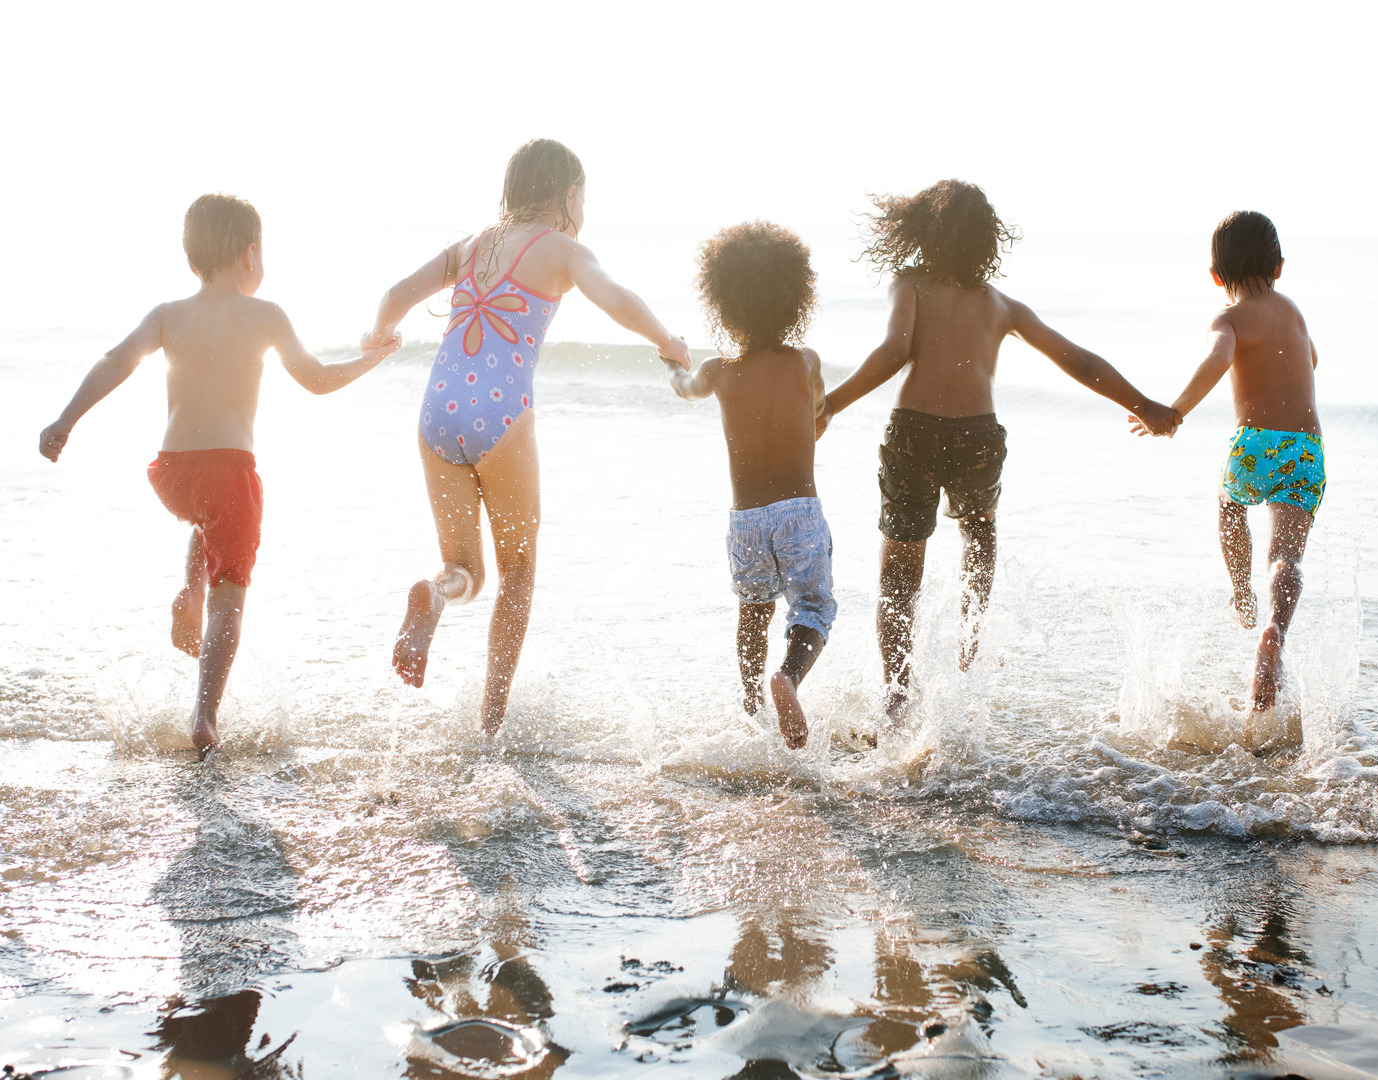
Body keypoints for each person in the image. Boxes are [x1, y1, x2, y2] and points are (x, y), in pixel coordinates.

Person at [38, 193, 400, 753]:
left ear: (192, 261)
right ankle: (205, 715)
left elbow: (116, 361)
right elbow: (319, 379)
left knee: (206, 522)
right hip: (230, 470)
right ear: (250, 254)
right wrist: (374, 357)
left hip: (173, 473)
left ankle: (189, 588)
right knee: (231, 594)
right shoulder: (266, 315)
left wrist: (65, 420)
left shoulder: (167, 314)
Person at [820, 179, 1180, 720]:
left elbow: (894, 351)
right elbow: (1077, 360)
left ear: (923, 231)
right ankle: (969, 636)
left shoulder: (909, 284)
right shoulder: (1001, 305)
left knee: (899, 568)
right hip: (977, 437)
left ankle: (897, 695)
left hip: (913, 432)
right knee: (980, 530)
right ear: (987, 240)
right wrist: (1144, 403)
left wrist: (830, 405)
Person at [365, 138, 690, 732]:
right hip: (500, 415)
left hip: (437, 410)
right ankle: (492, 720)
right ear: (568, 195)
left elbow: (394, 297)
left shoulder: (472, 245)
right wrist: (668, 343)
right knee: (518, 571)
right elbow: (616, 298)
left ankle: (436, 595)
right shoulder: (563, 248)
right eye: (583, 198)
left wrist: (380, 334)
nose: (585, 211)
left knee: (466, 569)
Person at [1133, 211, 1323, 711]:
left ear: (1216, 276)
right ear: (1279, 266)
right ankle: (1276, 629)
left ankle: (1241, 592)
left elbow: (1218, 359)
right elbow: (1313, 359)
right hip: (1306, 449)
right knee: (1287, 556)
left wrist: (1174, 411)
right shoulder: (1294, 312)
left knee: (1228, 503)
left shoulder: (1229, 319)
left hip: (1255, 443)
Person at [663, 221, 834, 750]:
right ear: (795, 298)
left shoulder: (718, 371)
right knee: (814, 609)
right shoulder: (806, 362)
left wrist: (673, 364)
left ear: (725, 303)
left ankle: (751, 709)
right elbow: (818, 418)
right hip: (800, 514)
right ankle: (788, 677)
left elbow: (684, 389)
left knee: (753, 612)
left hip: (745, 523)